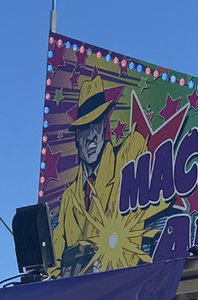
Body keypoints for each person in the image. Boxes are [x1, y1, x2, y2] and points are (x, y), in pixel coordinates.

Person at [51, 76, 148, 277]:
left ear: (104, 125)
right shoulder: (69, 198)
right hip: (75, 293)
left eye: (95, 124)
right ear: (77, 137)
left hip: (115, 287)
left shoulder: (124, 164)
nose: (91, 136)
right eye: (84, 128)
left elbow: (131, 245)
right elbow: (54, 258)